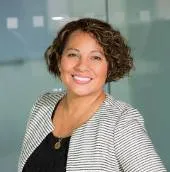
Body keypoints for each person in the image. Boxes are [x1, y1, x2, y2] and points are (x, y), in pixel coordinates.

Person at [18, 18, 167, 172]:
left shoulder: (121, 122)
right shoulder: (42, 105)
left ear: (110, 67)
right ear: (59, 60)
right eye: (73, 54)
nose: (82, 66)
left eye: (96, 57)